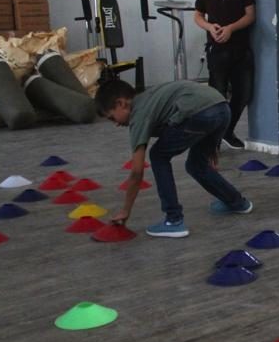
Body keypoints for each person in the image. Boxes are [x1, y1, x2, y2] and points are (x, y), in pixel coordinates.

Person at [97, 79, 253, 238]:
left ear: (121, 103)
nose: (115, 124)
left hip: (200, 113)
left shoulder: (139, 114)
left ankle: (173, 220)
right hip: (222, 108)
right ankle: (237, 203)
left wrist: (125, 211)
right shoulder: (150, 97)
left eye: (112, 118)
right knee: (196, 165)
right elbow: (206, 106)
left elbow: (137, 172)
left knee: (158, 156)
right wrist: (210, 144)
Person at [193, 0, 256, 150]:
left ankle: (227, 131)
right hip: (216, 49)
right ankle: (213, 139)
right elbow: (198, 16)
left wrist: (231, 28)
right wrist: (210, 27)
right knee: (217, 95)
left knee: (244, 93)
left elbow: (250, 16)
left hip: (241, 49)